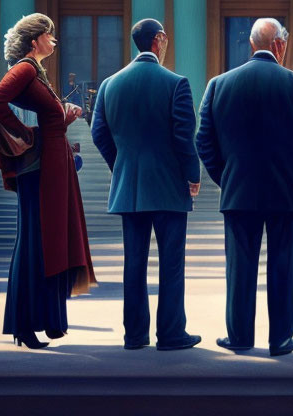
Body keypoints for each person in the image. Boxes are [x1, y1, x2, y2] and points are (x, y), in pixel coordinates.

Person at [196, 18, 293, 356]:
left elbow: (203, 141)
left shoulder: (218, 85)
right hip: (287, 195)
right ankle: (281, 339)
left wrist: (225, 178)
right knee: (283, 268)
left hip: (239, 192)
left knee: (239, 269)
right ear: (279, 44)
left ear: (253, 44)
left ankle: (239, 336)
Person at [0, 13, 96, 349]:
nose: (54, 40)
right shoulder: (26, 68)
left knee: (51, 239)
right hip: (42, 166)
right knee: (37, 239)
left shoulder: (38, 70)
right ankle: (25, 325)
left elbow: (46, 114)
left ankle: (49, 319)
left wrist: (63, 114)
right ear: (35, 40)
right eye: (50, 34)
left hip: (53, 163)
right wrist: (24, 134)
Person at [91, 19, 201, 351]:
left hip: (130, 188)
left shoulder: (110, 85)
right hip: (168, 187)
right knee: (171, 264)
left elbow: (99, 134)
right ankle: (170, 334)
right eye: (165, 37)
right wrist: (192, 175)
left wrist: (120, 166)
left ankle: (134, 335)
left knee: (133, 263)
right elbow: (184, 137)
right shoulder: (176, 83)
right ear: (158, 41)